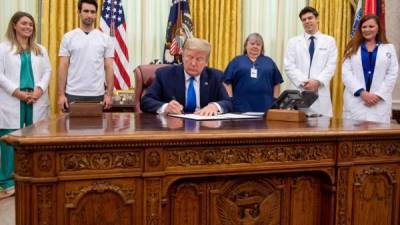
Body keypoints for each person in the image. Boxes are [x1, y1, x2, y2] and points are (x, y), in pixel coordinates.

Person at [0, 11, 51, 198]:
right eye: (24, 23)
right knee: (8, 140)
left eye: (30, 24)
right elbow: (0, 76)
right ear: (14, 25)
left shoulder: (40, 49)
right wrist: (18, 92)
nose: (28, 27)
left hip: (35, 99)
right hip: (12, 99)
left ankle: (31, 176)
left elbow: (48, 71)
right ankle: (7, 183)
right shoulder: (3, 48)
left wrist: (39, 89)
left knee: (34, 139)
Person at [141, 38, 232, 116]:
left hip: (205, 129)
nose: (193, 63)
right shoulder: (165, 75)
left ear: (206, 62)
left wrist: (215, 106)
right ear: (183, 57)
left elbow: (229, 103)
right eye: (189, 57)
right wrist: (166, 107)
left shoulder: (215, 76)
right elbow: (146, 101)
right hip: (173, 128)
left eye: (199, 59)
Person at [57, 0, 114, 111]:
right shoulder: (68, 37)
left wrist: (109, 95)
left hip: (97, 94)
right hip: (73, 93)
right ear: (79, 12)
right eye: (86, 11)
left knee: (97, 128)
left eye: (93, 12)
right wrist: (61, 95)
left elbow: (109, 68)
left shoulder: (105, 39)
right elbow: (63, 66)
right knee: (71, 128)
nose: (89, 15)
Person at [342, 15, 398, 123]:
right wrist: (362, 93)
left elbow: (392, 73)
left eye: (371, 26)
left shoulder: (389, 48)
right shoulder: (351, 47)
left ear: (378, 29)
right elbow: (346, 73)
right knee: (353, 137)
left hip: (379, 103)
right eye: (364, 27)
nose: (367, 30)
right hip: (356, 102)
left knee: (377, 138)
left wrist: (378, 95)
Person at [284, 6, 337, 117]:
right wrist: (304, 82)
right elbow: (289, 66)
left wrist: (317, 82)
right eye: (304, 20)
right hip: (300, 91)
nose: (307, 21)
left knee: (322, 129)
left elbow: (331, 66)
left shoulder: (329, 41)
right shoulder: (293, 42)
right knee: (298, 130)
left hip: (320, 93)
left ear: (317, 19)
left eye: (310, 18)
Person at [223, 33, 283, 112]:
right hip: (240, 107)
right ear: (246, 45)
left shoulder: (269, 61)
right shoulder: (236, 61)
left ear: (261, 47)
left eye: (258, 44)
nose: (255, 46)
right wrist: (230, 99)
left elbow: (277, 82)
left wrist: (275, 101)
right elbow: (227, 81)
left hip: (265, 107)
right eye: (252, 43)